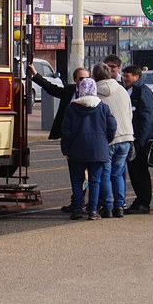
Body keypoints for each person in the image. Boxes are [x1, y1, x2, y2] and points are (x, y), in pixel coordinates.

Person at [29, 62, 89, 213]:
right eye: (81, 78)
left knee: (90, 174)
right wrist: (35, 74)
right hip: (71, 138)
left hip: (89, 139)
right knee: (77, 173)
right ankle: (77, 202)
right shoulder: (69, 90)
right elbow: (51, 89)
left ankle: (94, 204)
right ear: (75, 79)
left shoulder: (95, 93)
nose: (84, 82)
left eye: (87, 78)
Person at [60, 77, 117, 220]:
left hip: (76, 150)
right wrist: (105, 141)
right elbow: (112, 126)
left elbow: (66, 131)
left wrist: (65, 150)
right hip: (98, 149)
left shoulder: (72, 107)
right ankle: (93, 211)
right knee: (95, 180)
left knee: (77, 181)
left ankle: (77, 209)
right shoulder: (103, 107)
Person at [121, 64, 153, 214]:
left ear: (137, 77)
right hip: (135, 138)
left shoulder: (142, 91)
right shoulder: (131, 90)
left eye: (128, 76)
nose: (124, 78)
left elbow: (147, 116)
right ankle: (141, 201)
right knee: (135, 171)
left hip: (142, 141)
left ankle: (143, 202)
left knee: (139, 172)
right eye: (124, 75)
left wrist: (140, 140)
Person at [91, 62, 134, 218]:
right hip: (126, 136)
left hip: (107, 138)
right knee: (118, 173)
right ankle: (119, 206)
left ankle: (107, 207)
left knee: (105, 174)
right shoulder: (122, 90)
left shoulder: (95, 93)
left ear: (94, 76)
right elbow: (130, 113)